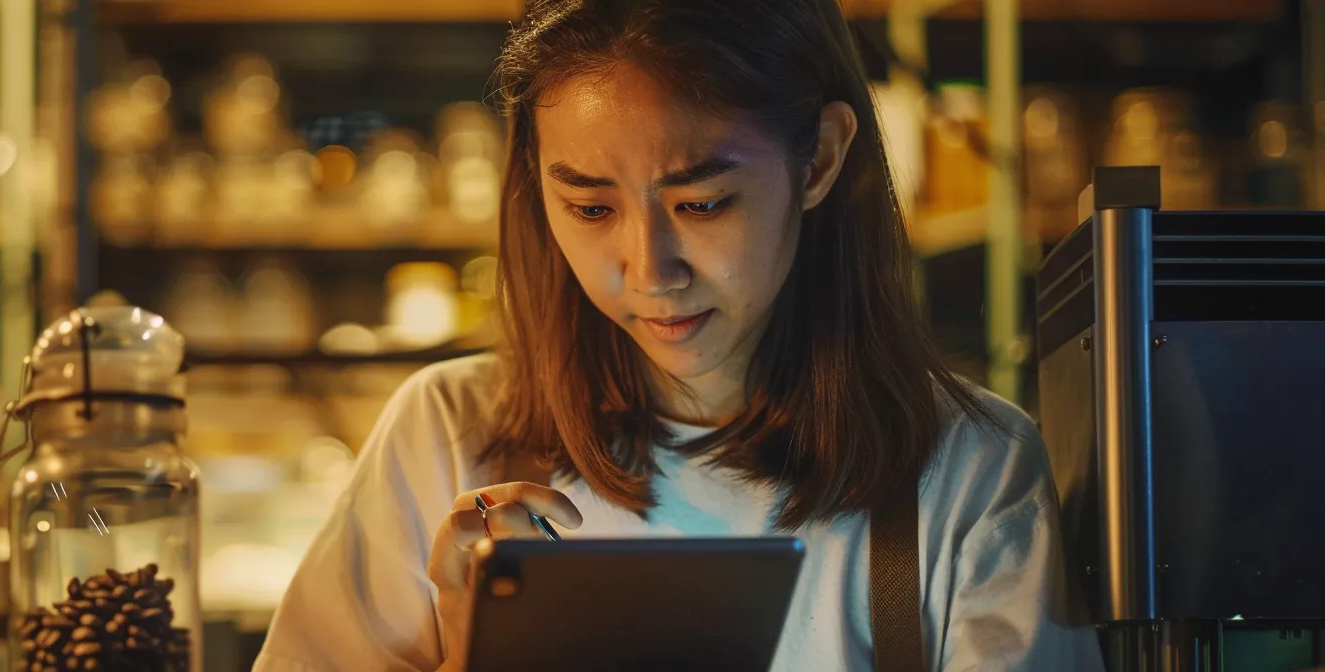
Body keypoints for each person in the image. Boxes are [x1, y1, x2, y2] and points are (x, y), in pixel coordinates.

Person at [253, 0, 1104, 670]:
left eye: (701, 203)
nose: (648, 267)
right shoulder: (447, 435)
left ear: (818, 159)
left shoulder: (969, 474)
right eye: (589, 207)